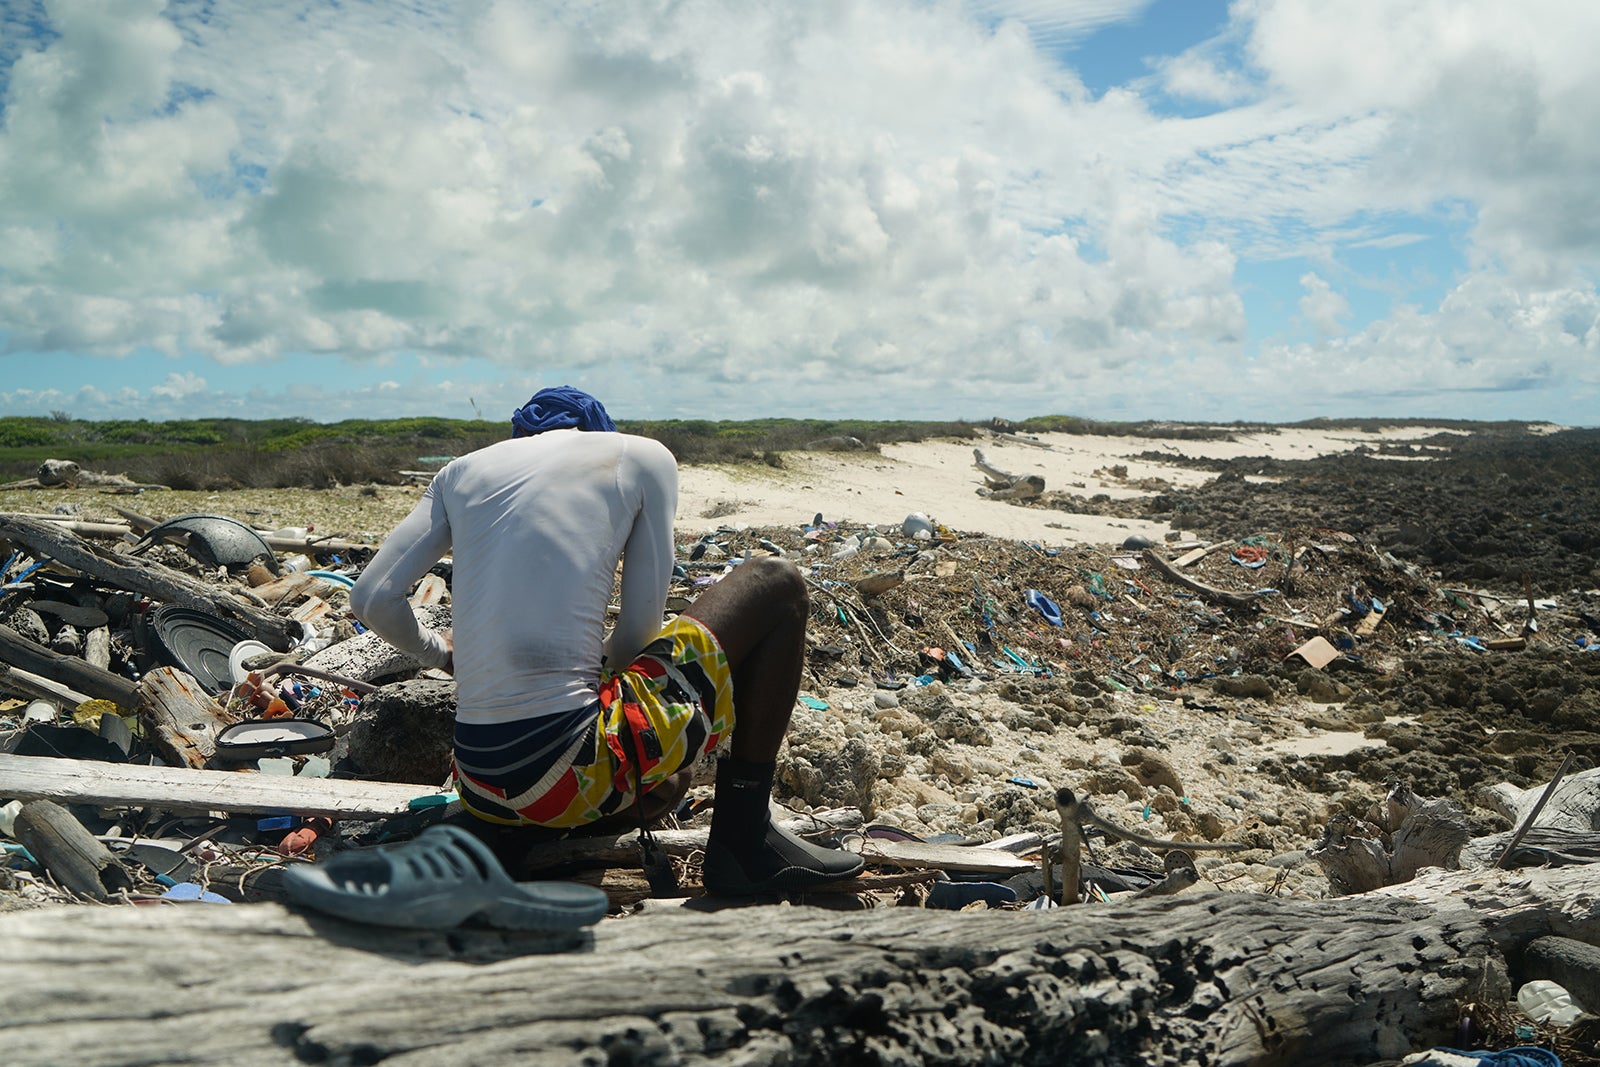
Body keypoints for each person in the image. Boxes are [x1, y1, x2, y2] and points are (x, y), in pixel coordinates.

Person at [349, 386, 862, 897]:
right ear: (597, 428)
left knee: (663, 780)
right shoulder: (639, 456)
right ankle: (746, 843)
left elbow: (371, 599)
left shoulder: (457, 472)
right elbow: (636, 637)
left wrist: (441, 655)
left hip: (481, 785)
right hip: (567, 777)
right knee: (775, 582)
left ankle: (521, 828)